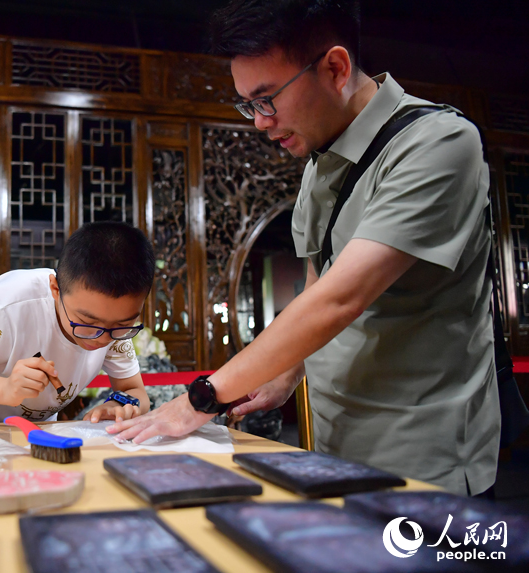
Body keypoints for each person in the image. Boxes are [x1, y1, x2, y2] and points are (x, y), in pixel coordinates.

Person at [110, 0, 499, 496]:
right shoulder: (320, 161)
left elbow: (342, 299)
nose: (258, 121)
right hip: (334, 446)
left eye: (266, 99)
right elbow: (319, 284)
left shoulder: (438, 144)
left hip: (423, 450)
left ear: (335, 68)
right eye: (248, 104)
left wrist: (201, 398)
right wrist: (285, 373)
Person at [0, 221, 153, 425]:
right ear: (55, 289)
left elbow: (134, 391)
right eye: (87, 322)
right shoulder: (7, 307)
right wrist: (5, 389)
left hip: (32, 431)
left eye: (122, 324)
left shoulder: (113, 329)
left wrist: (121, 404)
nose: (103, 338)